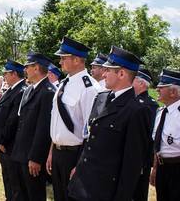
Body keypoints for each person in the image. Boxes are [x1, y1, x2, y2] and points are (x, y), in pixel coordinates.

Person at [68, 46, 151, 201]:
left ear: (121, 73)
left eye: (108, 70)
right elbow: (89, 139)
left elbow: (132, 164)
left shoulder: (136, 111)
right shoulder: (101, 98)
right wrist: (78, 168)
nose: (103, 74)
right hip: (82, 184)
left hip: (104, 191)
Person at [48, 37, 100, 201]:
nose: (60, 61)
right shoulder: (64, 84)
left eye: (64, 58)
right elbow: (57, 123)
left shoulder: (89, 88)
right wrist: (51, 152)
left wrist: (80, 164)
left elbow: (92, 133)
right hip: (57, 152)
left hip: (74, 155)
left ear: (77, 60)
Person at [10, 52, 56, 201]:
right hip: (20, 153)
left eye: (27, 67)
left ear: (36, 68)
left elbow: (43, 129)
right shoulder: (30, 89)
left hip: (32, 157)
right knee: (21, 194)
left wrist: (35, 158)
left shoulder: (48, 92)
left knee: (34, 195)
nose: (25, 70)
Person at [0, 59, 27, 201]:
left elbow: (13, 120)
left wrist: (2, 139)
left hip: (10, 144)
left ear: (14, 74)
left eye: (6, 73)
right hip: (4, 144)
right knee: (8, 178)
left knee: (15, 181)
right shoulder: (11, 90)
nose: (4, 76)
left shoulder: (21, 91)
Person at [150, 69, 180, 201]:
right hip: (162, 168)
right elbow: (158, 144)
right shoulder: (160, 112)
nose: (157, 89)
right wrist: (155, 169)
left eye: (162, 87)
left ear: (173, 92)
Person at [132, 67, 159, 201]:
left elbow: (150, 136)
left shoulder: (150, 106)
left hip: (140, 160)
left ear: (142, 83)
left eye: (134, 79)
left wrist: (144, 162)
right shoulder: (131, 101)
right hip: (129, 158)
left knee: (138, 194)